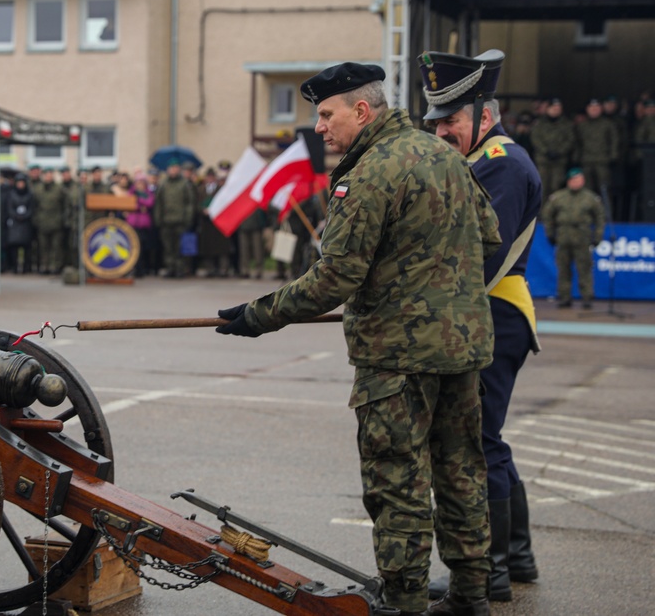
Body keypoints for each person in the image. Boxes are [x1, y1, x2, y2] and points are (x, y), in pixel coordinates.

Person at [216, 62, 501, 616]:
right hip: (462, 348)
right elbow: (489, 235)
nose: (320, 127)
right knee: (461, 471)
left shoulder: (369, 172)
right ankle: (471, 597)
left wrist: (258, 315)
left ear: (362, 110)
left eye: (326, 114)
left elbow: (334, 278)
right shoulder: (444, 154)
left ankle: (405, 603)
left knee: (398, 483)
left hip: (397, 357)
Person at [419, 49, 543, 603]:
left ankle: (490, 569)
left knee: (475, 444)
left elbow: (479, 256)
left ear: (484, 117)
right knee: (490, 439)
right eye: (437, 122)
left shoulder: (502, 164)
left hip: (492, 311)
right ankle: (516, 559)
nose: (442, 130)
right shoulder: (485, 160)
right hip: (492, 312)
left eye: (451, 120)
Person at [542, 168, 605, 309]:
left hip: (582, 237)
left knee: (584, 268)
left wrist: (598, 236)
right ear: (568, 181)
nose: (576, 182)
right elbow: (547, 215)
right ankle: (565, 297)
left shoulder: (590, 198)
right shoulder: (558, 197)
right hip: (564, 236)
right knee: (563, 269)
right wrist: (550, 233)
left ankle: (587, 297)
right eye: (573, 180)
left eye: (578, 179)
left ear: (583, 180)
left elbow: (600, 218)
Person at [153, 161, 196, 278]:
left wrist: (188, 218)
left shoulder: (184, 184)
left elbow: (189, 203)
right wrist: (158, 219)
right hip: (166, 221)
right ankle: (170, 268)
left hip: (180, 221)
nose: (173, 170)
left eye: (175, 168)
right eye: (171, 168)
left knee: (179, 247)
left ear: (179, 170)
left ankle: (180, 269)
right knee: (168, 247)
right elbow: (159, 203)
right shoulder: (163, 184)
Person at [530, 98, 575, 196]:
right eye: (553, 108)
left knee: (557, 186)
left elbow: (570, 140)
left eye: (558, 108)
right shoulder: (539, 123)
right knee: (542, 186)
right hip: (543, 160)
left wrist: (559, 152)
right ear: (548, 109)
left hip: (559, 160)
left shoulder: (567, 124)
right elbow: (536, 139)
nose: (556, 110)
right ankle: (541, 210)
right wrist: (546, 151)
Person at [575, 98, 619, 196]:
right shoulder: (582, 125)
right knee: (586, 189)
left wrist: (613, 156)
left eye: (597, 107)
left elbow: (614, 141)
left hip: (602, 161)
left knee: (604, 189)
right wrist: (576, 158)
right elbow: (577, 143)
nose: (594, 110)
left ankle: (606, 211)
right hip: (586, 160)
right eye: (591, 107)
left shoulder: (608, 124)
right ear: (587, 109)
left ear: (601, 109)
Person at [34, 168, 67, 275]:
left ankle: (55, 266)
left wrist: (63, 219)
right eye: (46, 175)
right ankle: (45, 266)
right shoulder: (38, 189)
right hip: (42, 221)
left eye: (50, 174)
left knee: (56, 247)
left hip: (56, 221)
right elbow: (34, 206)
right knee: (43, 247)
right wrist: (36, 220)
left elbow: (65, 205)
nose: (48, 177)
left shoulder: (59, 189)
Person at [5, 174, 35, 273]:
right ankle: (14, 267)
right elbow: (9, 208)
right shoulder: (11, 194)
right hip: (15, 223)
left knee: (27, 247)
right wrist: (16, 216)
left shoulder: (29, 195)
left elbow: (32, 208)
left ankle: (26, 267)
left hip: (26, 223)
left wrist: (25, 216)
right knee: (14, 246)